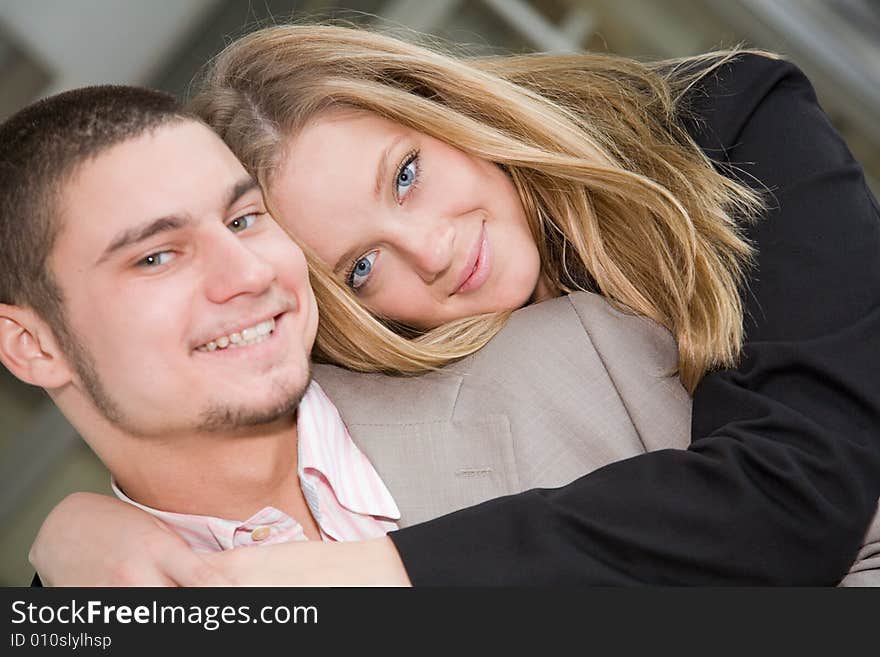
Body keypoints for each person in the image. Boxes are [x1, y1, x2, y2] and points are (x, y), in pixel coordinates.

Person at [30, 22, 880, 585]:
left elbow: (809, 485)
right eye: (361, 268)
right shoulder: (373, 368)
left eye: (406, 175)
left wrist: (391, 572)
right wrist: (70, 544)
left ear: (446, 108)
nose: (431, 252)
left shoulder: (728, 127)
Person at [5, 84, 697, 586]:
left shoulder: (587, 362)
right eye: (156, 256)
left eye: (244, 218)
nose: (245, 272)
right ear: (31, 345)